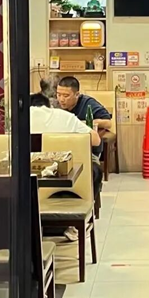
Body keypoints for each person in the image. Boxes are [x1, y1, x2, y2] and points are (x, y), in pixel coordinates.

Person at [29, 92, 103, 231]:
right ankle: (79, 219)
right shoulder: (64, 116)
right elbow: (95, 140)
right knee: (95, 170)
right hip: (61, 176)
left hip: (29, 180)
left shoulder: (18, 119)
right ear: (49, 106)